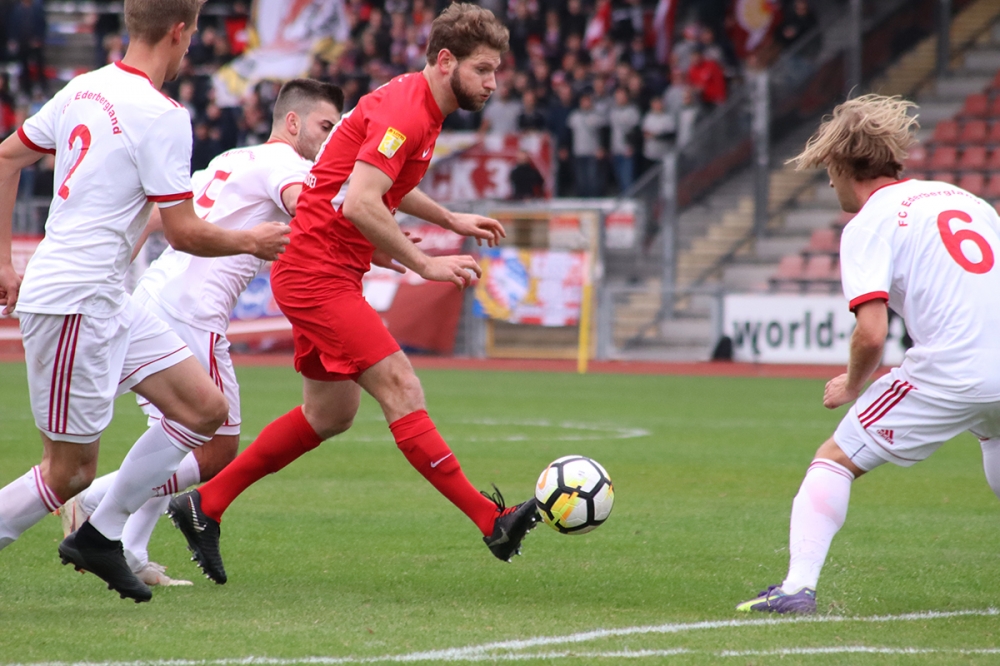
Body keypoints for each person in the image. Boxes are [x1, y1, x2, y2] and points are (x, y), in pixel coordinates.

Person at [166, 3, 540, 586]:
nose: (493, 82)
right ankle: (490, 520)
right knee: (401, 386)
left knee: (330, 414)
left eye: (496, 70)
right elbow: (364, 202)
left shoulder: (420, 105)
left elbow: (380, 181)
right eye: (484, 69)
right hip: (317, 272)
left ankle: (205, 504)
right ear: (446, 61)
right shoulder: (407, 111)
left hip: (323, 269)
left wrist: (450, 218)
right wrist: (425, 264)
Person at [0, 0, 290, 603]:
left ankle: (102, 535)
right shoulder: (163, 114)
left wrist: (5, 262)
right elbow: (183, 232)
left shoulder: (84, 87)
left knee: (205, 410)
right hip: (75, 300)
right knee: (68, 472)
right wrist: (252, 240)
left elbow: (7, 158)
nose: (192, 46)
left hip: (108, 297)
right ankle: (91, 529)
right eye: (194, 34)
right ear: (179, 32)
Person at [58, 78, 345, 587]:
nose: (330, 138)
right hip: (191, 310)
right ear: (293, 122)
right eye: (326, 127)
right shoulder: (286, 162)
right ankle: (98, 500)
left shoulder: (231, 158)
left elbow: (156, 215)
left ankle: (131, 550)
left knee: (172, 437)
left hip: (157, 293)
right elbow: (307, 205)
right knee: (214, 450)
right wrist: (367, 220)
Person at [736, 94, 1000, 615]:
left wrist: (852, 385)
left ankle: (796, 589)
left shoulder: (870, 222)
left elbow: (872, 334)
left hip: (951, 370)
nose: (829, 184)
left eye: (827, 172)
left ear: (840, 164)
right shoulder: (967, 201)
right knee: (994, 436)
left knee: (833, 459)